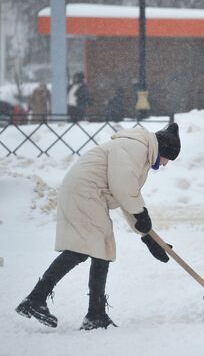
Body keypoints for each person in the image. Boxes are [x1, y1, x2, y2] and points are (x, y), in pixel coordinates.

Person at [15, 122, 181, 330]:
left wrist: (148, 237)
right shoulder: (136, 148)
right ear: (163, 150)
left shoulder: (138, 150)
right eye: (168, 159)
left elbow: (127, 196)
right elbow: (124, 188)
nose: (165, 164)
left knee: (97, 247)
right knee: (86, 248)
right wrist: (141, 215)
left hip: (88, 192)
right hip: (86, 191)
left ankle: (88, 311)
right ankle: (72, 308)